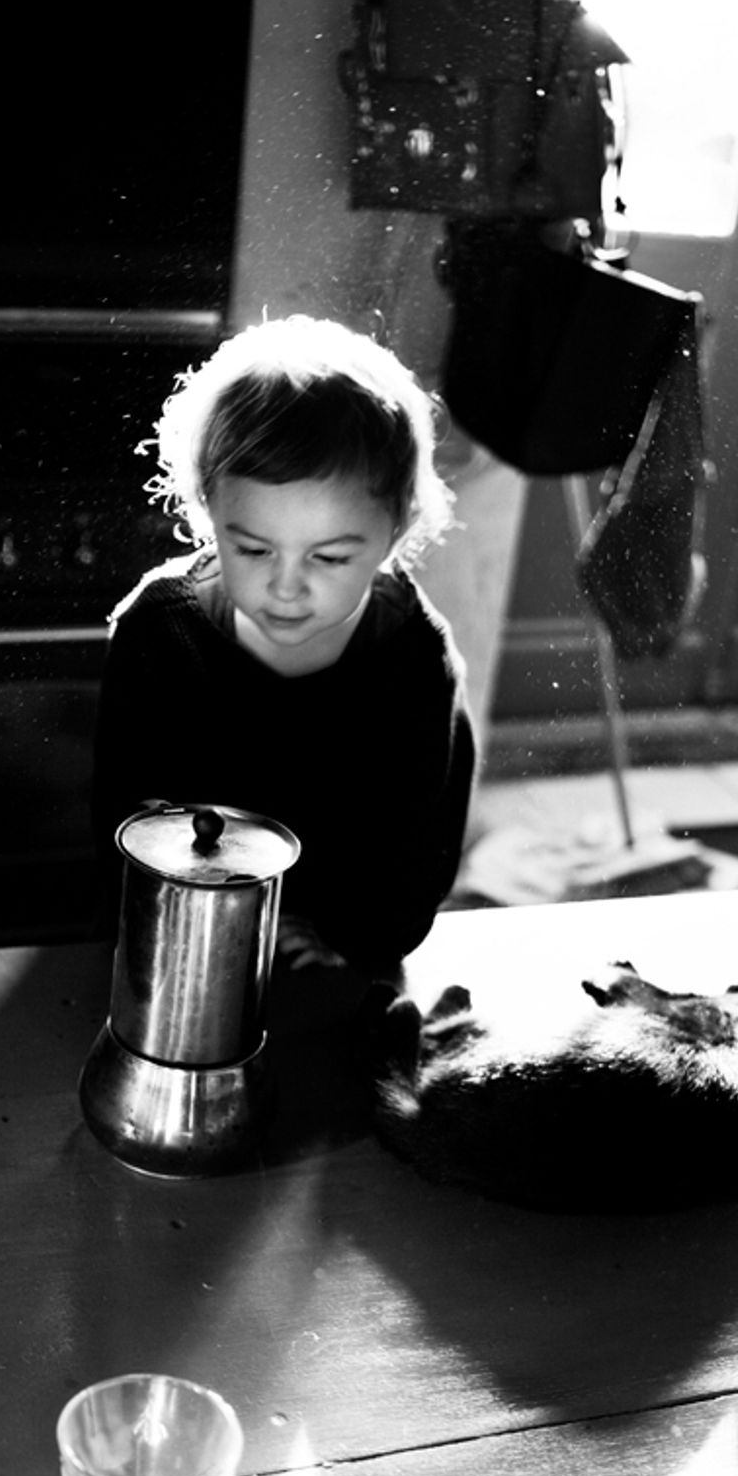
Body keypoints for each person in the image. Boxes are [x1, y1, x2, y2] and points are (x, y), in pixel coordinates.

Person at [91, 315, 476, 980]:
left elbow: (419, 850)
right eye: (253, 549)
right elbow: (119, 821)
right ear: (206, 507)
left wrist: (352, 943)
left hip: (342, 953)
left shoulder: (414, 660)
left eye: (328, 557)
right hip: (179, 949)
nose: (286, 587)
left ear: (395, 532)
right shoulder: (160, 632)